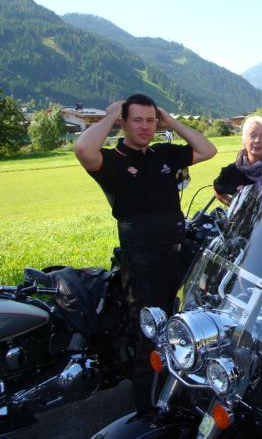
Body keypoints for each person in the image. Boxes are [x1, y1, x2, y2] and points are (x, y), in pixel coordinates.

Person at [74, 93, 216, 411]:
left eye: (150, 120)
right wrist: (110, 117)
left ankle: (182, 397)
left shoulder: (164, 154)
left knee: (185, 328)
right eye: (137, 120)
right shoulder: (112, 160)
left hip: (178, 255)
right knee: (151, 336)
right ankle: (148, 410)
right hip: (142, 262)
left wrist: (171, 122)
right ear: (124, 123)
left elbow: (208, 150)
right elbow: (83, 149)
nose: (145, 126)